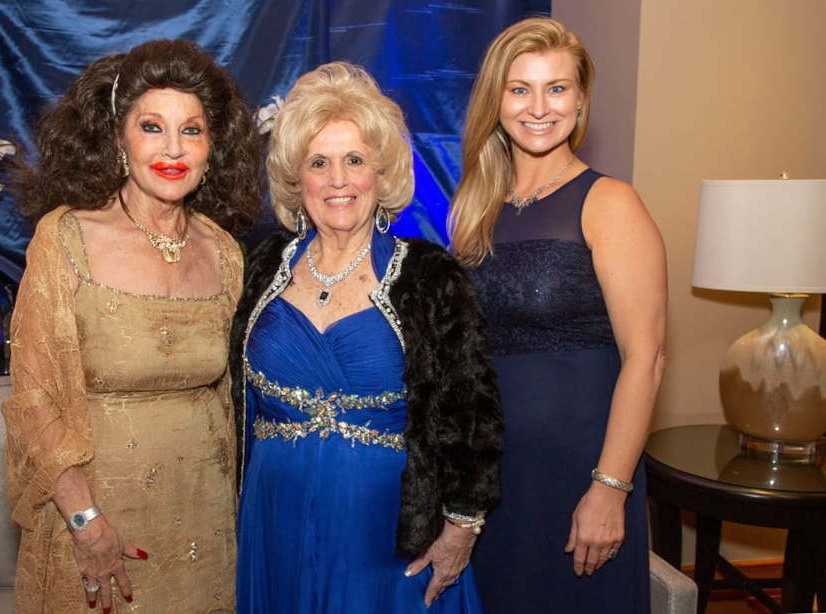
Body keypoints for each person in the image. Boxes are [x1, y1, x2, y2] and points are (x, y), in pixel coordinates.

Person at [229, 62, 502, 613]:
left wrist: (461, 528)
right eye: (319, 162)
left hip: (386, 530)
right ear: (296, 178)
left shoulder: (429, 277)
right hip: (275, 513)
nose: (338, 180)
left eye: (354, 160)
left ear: (381, 172)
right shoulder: (263, 267)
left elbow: (472, 412)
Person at [1, 39, 261, 613]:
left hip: (206, 523)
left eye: (191, 130)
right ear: (119, 138)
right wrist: (85, 522)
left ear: (213, 148)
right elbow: (35, 401)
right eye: (151, 127)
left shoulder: (224, 252)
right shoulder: (65, 237)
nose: (173, 149)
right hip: (96, 522)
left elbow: (234, 399)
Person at [451, 18, 667, 614]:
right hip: (496, 480)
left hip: (580, 474)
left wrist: (609, 488)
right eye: (520, 89)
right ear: (496, 101)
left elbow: (646, 358)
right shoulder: (474, 210)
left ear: (580, 99)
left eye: (557, 88)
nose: (539, 108)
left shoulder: (610, 203)